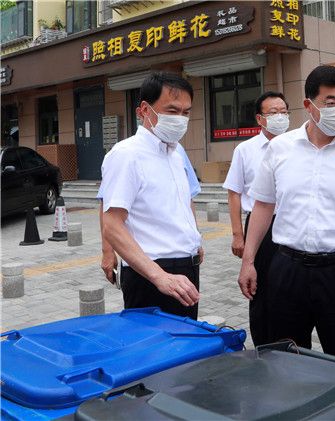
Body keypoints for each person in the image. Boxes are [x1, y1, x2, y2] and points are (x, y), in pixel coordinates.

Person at [237, 65, 335, 362]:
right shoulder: (280, 148)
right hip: (287, 268)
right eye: (331, 102)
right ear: (309, 105)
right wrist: (248, 260)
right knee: (287, 358)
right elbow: (263, 206)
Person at [100, 72, 203, 319]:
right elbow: (112, 225)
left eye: (186, 113)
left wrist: (195, 239)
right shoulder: (126, 155)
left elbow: (184, 201)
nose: (180, 119)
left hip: (186, 268)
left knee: (186, 341)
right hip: (150, 274)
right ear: (145, 110)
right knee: (155, 342)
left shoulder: (176, 153)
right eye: (172, 111)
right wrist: (159, 276)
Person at [223, 91, 289, 346]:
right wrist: (238, 235)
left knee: (289, 284)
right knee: (259, 286)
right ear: (260, 119)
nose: (280, 117)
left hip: (291, 223)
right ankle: (263, 345)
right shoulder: (245, 150)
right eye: (273, 113)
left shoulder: (298, 146)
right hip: (260, 227)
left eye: (284, 112)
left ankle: (289, 342)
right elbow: (234, 193)